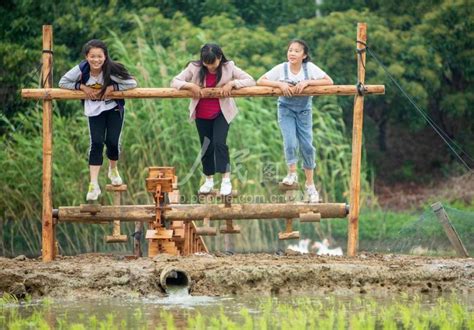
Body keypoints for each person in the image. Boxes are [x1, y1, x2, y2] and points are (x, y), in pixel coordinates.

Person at [171, 43, 255, 195]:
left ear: (220, 57)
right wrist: (190, 86)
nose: (210, 67)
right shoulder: (194, 67)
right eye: (206, 63)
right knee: (206, 145)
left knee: (219, 143)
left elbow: (250, 80)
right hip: (201, 113)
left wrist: (232, 83)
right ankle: (208, 180)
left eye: (213, 63)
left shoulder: (229, 67)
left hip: (221, 113)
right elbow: (175, 81)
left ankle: (226, 180)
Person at [59, 39, 137, 201]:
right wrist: (82, 87)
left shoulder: (112, 69)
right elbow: (63, 82)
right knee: (96, 143)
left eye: (100, 56)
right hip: (94, 111)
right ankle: (93, 184)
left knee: (112, 142)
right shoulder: (82, 69)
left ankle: (113, 169)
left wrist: (112, 88)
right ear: (86, 56)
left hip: (114, 108)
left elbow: (132, 83)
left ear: (105, 56)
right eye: (92, 56)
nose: (96, 60)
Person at [257, 39, 333, 203]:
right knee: (290, 142)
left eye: (297, 51)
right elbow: (260, 80)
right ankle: (291, 173)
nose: (292, 53)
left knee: (307, 146)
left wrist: (307, 82)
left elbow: (329, 81)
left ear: (304, 55)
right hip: (285, 109)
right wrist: (279, 85)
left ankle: (310, 186)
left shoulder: (309, 68)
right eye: (290, 50)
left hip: (304, 111)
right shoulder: (282, 68)